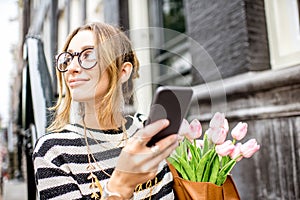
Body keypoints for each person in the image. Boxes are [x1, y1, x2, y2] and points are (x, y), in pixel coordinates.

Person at [33, 22, 179, 200]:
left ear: (122, 71)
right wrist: (120, 186)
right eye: (68, 58)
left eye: (88, 55)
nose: (71, 68)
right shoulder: (53, 151)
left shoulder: (148, 130)